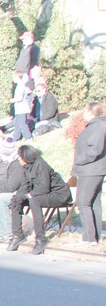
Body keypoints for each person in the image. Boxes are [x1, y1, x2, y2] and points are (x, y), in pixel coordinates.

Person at [7, 144, 72, 255]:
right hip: (41, 194)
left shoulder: (40, 164)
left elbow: (44, 188)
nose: (18, 159)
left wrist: (28, 195)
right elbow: (25, 185)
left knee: (34, 201)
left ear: (25, 156)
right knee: (16, 199)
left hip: (58, 195)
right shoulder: (26, 167)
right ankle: (17, 235)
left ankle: (41, 238)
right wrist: (21, 195)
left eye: (19, 157)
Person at [71, 102, 106, 247]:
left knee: (83, 202)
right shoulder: (95, 126)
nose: (83, 114)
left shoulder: (98, 126)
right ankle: (95, 236)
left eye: (85, 111)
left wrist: (80, 160)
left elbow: (95, 150)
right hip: (93, 170)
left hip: (91, 170)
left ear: (91, 112)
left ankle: (89, 238)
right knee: (93, 203)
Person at [10, 71, 33, 141]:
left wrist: (11, 100)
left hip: (22, 109)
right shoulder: (20, 85)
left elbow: (19, 98)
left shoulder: (20, 86)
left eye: (13, 77)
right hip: (19, 109)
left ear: (17, 77)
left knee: (22, 124)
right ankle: (15, 137)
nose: (13, 79)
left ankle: (28, 137)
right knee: (17, 124)